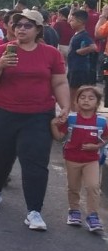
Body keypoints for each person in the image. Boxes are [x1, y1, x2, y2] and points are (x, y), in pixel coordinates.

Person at [0, 9, 70, 231]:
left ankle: (34, 211)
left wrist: (66, 106)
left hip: (38, 115)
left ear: (38, 29)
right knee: (0, 155)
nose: (21, 29)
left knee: (35, 162)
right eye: (17, 25)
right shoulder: (2, 50)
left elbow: (59, 82)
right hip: (1, 113)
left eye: (27, 25)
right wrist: (1, 65)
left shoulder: (51, 54)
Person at [50, 85, 105, 233]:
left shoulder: (102, 121)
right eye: (83, 97)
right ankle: (74, 211)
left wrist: (97, 146)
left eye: (91, 98)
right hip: (72, 159)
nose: (86, 100)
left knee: (93, 186)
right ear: (76, 101)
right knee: (73, 187)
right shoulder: (71, 119)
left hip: (91, 159)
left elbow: (105, 138)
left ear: (97, 102)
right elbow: (59, 137)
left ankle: (93, 215)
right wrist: (53, 125)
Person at [66, 10, 98, 103]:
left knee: (74, 93)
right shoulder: (77, 34)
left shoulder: (84, 35)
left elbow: (93, 47)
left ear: (80, 22)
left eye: (72, 20)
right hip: (73, 68)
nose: (70, 22)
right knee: (71, 92)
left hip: (79, 69)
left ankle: (75, 110)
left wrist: (80, 51)